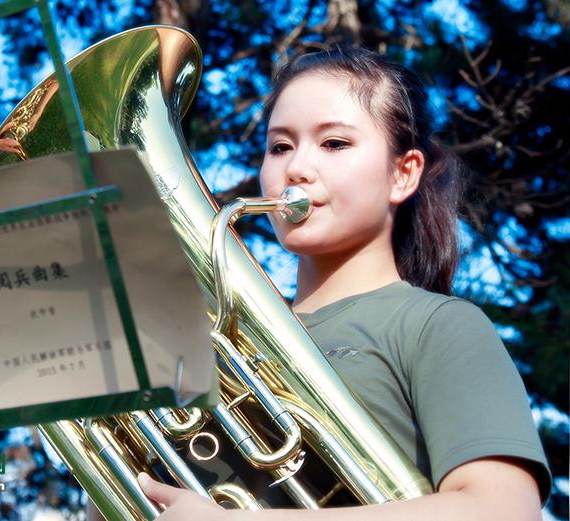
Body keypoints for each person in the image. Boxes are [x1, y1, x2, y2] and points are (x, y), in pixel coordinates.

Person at [133, 47, 551, 520]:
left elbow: (503, 509)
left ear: (403, 173)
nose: (296, 168)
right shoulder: (209, 343)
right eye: (280, 147)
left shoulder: (438, 325)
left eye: (334, 144)